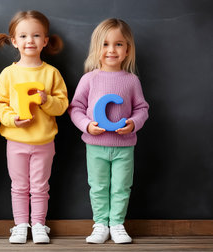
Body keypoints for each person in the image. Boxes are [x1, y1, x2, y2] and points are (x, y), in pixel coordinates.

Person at [68, 18, 149, 244]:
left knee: (122, 187)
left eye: (118, 44)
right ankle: (100, 224)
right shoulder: (89, 79)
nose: (111, 50)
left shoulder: (132, 81)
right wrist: (87, 125)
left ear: (127, 50)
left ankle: (117, 224)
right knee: (99, 186)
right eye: (105, 44)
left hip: (125, 147)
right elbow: (75, 108)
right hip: (96, 146)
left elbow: (142, 108)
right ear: (97, 48)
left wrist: (133, 123)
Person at [0, 10, 68, 244]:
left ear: (45, 41)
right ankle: (20, 224)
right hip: (16, 141)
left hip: (44, 142)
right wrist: (13, 119)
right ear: (14, 41)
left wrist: (47, 101)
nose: (30, 41)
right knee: (19, 186)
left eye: (36, 36)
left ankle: (38, 224)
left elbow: (62, 105)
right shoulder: (8, 74)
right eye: (23, 36)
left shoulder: (51, 73)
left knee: (40, 186)